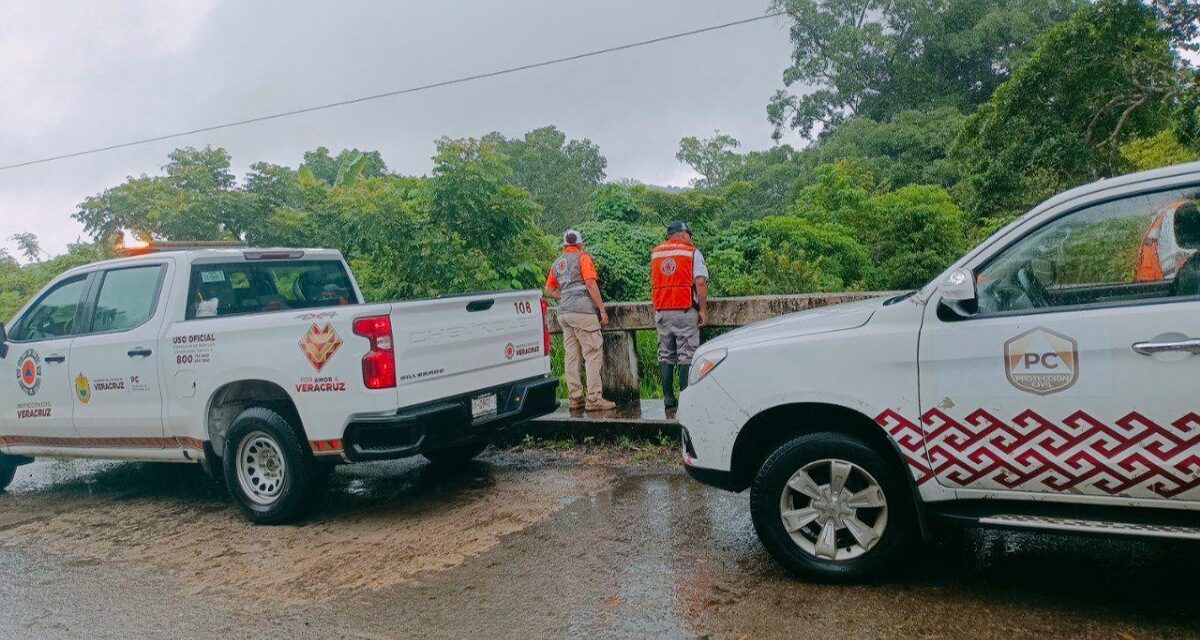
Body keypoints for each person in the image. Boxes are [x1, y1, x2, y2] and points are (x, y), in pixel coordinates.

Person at [544, 230, 617, 411]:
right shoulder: (583, 257)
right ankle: (594, 399)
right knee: (592, 353)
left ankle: (575, 398)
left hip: (564, 314)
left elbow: (549, 290)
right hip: (583, 313)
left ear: (564, 246)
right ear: (580, 244)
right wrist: (602, 310)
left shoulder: (558, 263)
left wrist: (564, 297)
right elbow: (591, 284)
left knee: (572, 356)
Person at [650, 220, 708, 409]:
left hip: (661, 311)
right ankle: (685, 399)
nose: (691, 239)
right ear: (683, 234)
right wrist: (703, 309)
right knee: (687, 355)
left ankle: (668, 398)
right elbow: (700, 281)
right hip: (684, 310)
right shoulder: (692, 252)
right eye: (689, 235)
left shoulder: (656, 253)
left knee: (665, 354)